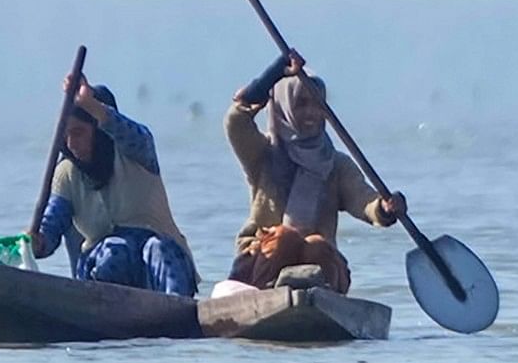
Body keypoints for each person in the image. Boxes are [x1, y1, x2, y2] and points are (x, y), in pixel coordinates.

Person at [222, 53, 403, 290]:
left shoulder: (335, 165)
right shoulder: (263, 154)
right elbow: (236, 122)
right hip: (261, 260)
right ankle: (267, 295)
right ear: (284, 107)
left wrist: (385, 208)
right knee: (286, 238)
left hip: (317, 265)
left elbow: (364, 201)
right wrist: (273, 74)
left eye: (317, 104)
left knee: (317, 244)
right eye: (301, 103)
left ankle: (321, 298)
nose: (312, 113)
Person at [30, 81, 196, 296]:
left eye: (79, 133)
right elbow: (52, 225)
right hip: (104, 269)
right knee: (114, 252)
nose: (72, 144)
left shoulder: (138, 153)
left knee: (158, 249)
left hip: (156, 265)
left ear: (99, 132)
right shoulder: (66, 174)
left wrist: (92, 105)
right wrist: (38, 241)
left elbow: (134, 134)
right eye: (67, 135)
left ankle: (175, 316)